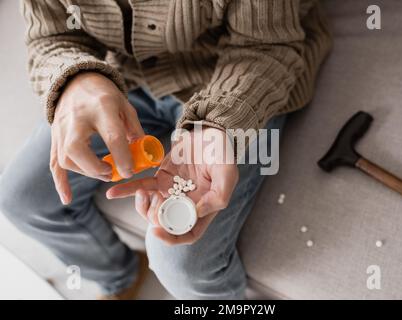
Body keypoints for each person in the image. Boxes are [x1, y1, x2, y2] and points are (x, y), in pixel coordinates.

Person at [0, 0, 331, 299]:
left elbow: (267, 47)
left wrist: (218, 125)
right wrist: (74, 78)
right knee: (22, 197)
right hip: (124, 80)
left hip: (239, 87)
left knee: (181, 262)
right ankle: (121, 277)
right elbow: (51, 36)